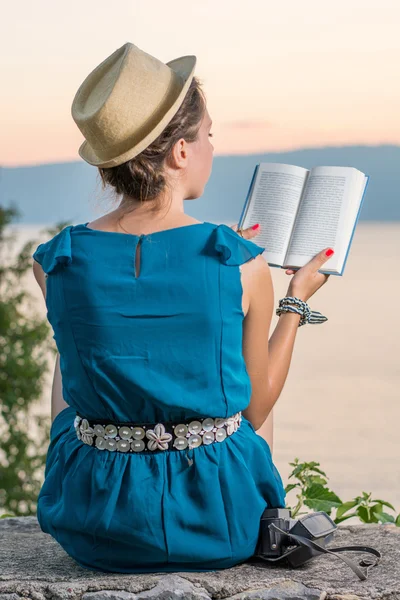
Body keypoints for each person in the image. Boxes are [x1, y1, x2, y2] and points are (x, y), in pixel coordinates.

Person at [32, 42, 334, 574]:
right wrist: (292, 302)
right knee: (243, 397)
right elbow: (256, 408)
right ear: (179, 153)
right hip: (218, 527)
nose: (212, 148)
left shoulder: (57, 260)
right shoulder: (240, 262)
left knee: (77, 350)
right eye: (208, 135)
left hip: (92, 524)